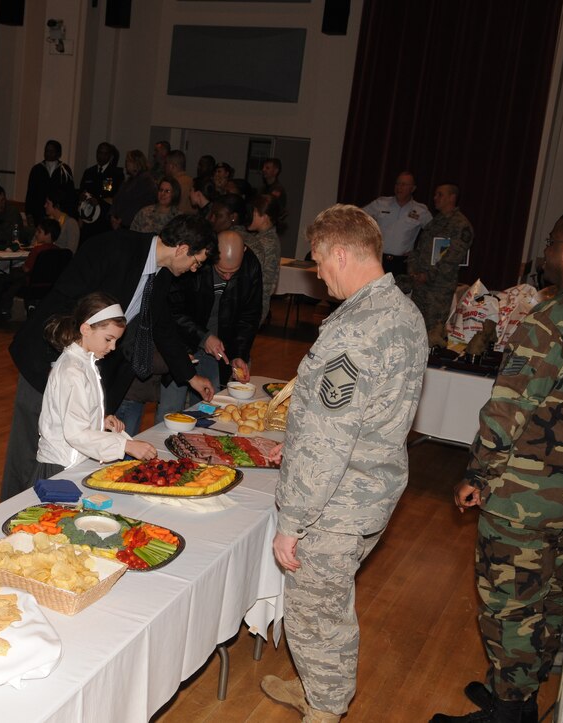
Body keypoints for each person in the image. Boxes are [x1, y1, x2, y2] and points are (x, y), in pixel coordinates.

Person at [431, 209, 563, 723]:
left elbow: (508, 408)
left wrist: (477, 473)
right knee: (547, 596)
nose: (545, 254)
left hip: (522, 497)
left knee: (509, 605)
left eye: (552, 244)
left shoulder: (556, 316)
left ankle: (511, 711)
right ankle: (523, 685)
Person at [261, 204, 427, 723]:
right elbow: (367, 414)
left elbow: (331, 435)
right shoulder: (401, 311)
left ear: (340, 252)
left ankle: (326, 710)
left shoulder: (356, 329)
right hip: (370, 487)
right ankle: (318, 690)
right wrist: (300, 438)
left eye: (318, 262)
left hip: (335, 504)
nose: (317, 273)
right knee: (321, 606)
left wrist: (292, 522)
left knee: (318, 615)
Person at [0, 214, 217, 500]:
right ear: (182, 248)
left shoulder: (161, 275)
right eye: (196, 261)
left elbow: (162, 326)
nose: (193, 269)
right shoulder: (116, 247)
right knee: (31, 450)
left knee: (72, 452)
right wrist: (64, 367)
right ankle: (7, 518)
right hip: (48, 358)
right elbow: (64, 301)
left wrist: (190, 376)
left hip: (88, 363)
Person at [35, 294, 157, 479]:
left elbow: (73, 412)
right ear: (86, 329)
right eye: (109, 339)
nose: (113, 347)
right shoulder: (72, 370)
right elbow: (75, 434)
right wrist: (125, 445)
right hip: (61, 466)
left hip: (73, 461)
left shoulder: (85, 362)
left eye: (116, 340)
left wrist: (99, 419)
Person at [157, 229, 262, 421]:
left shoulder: (251, 266)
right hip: (181, 344)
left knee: (209, 408)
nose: (228, 278)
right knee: (171, 408)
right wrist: (203, 336)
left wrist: (239, 353)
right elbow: (171, 311)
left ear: (244, 251)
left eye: (233, 272)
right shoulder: (194, 262)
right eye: (222, 271)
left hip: (218, 350)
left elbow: (249, 316)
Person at [400, 183, 474, 332]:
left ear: (452, 197)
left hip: (438, 290)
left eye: (440, 194)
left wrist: (428, 275)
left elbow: (452, 259)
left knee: (433, 333)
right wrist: (413, 270)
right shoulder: (434, 222)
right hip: (420, 286)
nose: (435, 198)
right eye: (435, 194)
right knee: (415, 330)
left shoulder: (460, 225)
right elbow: (419, 249)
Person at [362, 171, 433, 276]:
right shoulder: (381, 203)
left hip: (402, 263)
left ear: (413, 189)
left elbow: (434, 233)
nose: (399, 187)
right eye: (397, 184)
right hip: (378, 260)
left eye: (403, 184)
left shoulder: (420, 210)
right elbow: (358, 217)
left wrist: (419, 253)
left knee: (399, 292)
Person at [0, 217, 61, 320]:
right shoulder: (59, 251)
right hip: (49, 286)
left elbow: (26, 269)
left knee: (8, 278)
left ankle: (3, 307)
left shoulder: (38, 250)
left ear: (48, 235)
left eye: (39, 231)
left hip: (31, 285)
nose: (36, 234)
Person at [246, 194, 284, 326]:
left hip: (254, 305)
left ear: (265, 217)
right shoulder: (262, 238)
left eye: (254, 213)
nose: (250, 216)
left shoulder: (266, 242)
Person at [78, 142, 124, 239]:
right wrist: (81, 196)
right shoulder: (89, 172)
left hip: (104, 218)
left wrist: (98, 200)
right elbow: (82, 190)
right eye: (99, 153)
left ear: (110, 156)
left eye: (105, 153)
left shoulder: (114, 173)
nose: (101, 156)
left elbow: (111, 194)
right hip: (88, 216)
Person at [25, 139, 76, 227]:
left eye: (52, 151)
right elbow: (30, 193)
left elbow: (70, 194)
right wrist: (29, 214)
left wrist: (71, 214)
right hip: (39, 213)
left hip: (58, 214)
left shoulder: (65, 170)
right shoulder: (37, 169)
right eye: (47, 151)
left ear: (59, 154)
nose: (48, 153)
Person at [110, 150, 158, 230]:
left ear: (137, 163)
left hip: (133, 224)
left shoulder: (146, 180)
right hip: (121, 222)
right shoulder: (129, 180)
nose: (126, 163)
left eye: (128, 161)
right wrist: (112, 215)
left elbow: (137, 204)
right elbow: (117, 199)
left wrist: (121, 219)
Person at [164, 150, 195, 214]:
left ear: (171, 166)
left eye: (166, 163)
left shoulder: (173, 184)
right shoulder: (192, 181)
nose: (164, 166)